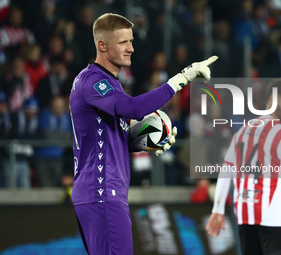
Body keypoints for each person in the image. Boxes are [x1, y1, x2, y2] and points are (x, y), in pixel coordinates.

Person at [69, 13, 218, 255]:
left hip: (100, 192)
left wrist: (142, 141)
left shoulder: (106, 82)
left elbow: (104, 139)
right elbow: (135, 108)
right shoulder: (94, 81)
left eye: (131, 41)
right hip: (102, 191)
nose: (131, 48)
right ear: (102, 46)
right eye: (123, 42)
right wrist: (181, 79)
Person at [205, 79, 281, 255]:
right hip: (274, 219)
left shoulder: (241, 131)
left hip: (245, 217)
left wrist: (218, 210)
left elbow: (226, 171)